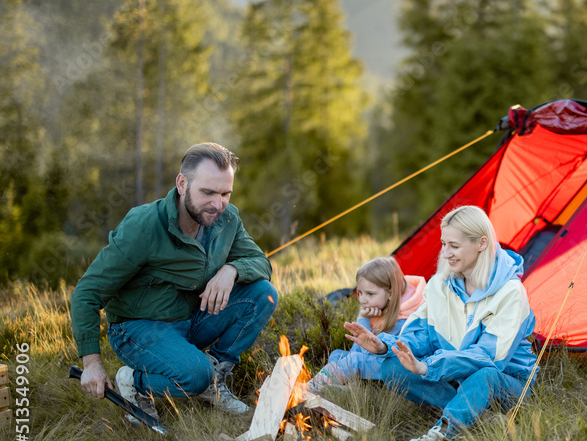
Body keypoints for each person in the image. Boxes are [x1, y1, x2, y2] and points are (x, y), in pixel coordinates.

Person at [71, 142, 278, 426]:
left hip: (191, 318)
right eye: (207, 192)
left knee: (263, 294)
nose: (217, 204)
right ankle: (133, 381)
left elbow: (261, 263)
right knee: (195, 374)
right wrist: (91, 364)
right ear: (182, 183)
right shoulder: (143, 227)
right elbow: (87, 293)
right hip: (138, 328)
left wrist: (231, 269)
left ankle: (214, 380)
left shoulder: (227, 218)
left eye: (225, 193)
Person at [345, 205, 536, 441]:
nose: (445, 254)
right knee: (391, 366)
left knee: (486, 376)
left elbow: (489, 358)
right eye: (443, 244)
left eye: (454, 246)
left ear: (481, 243)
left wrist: (428, 366)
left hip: (506, 384)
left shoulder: (511, 292)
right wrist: (383, 346)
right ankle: (478, 418)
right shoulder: (441, 285)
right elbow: (420, 335)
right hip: (455, 377)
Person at [306, 256, 425, 391]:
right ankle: (347, 388)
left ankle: (312, 389)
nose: (363, 299)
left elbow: (366, 352)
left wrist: (363, 320)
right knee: (337, 355)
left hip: (394, 371)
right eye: (360, 292)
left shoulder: (403, 319)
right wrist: (363, 317)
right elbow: (355, 351)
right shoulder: (381, 308)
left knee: (354, 360)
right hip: (374, 364)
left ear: (390, 293)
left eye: (370, 294)